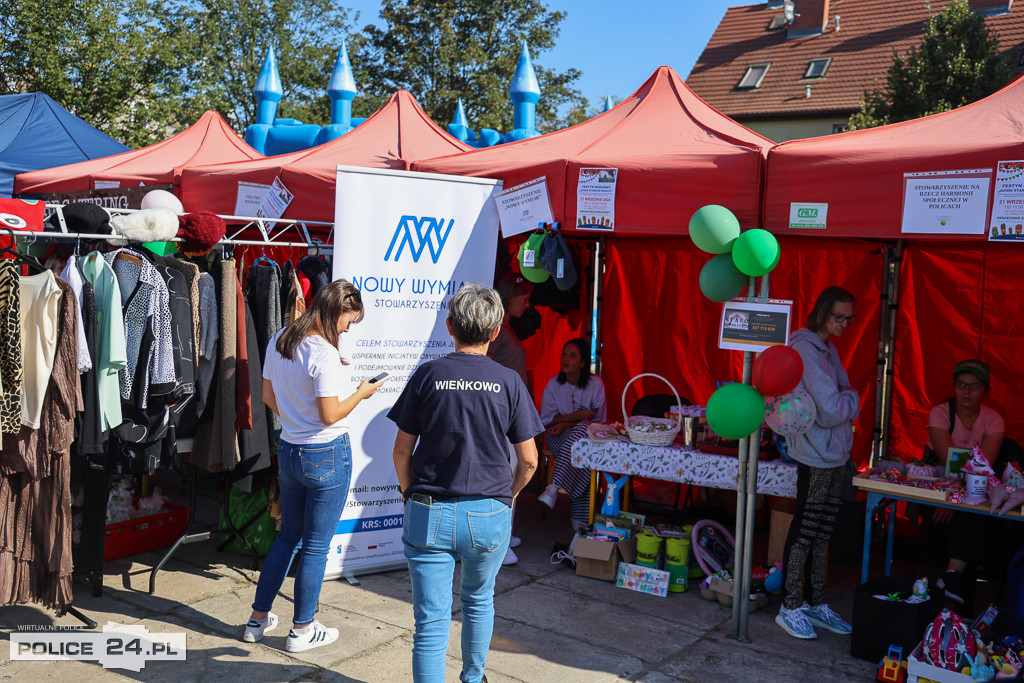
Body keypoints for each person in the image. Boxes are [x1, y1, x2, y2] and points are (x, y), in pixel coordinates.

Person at [388, 283, 543, 683]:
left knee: (431, 622)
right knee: (478, 602)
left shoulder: (428, 374)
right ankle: (473, 678)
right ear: (495, 332)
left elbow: (401, 451)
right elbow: (529, 460)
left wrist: (408, 493)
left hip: (429, 511)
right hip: (488, 513)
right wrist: (507, 497)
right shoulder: (508, 381)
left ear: (450, 326)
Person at [242, 280, 380, 652]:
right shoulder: (323, 354)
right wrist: (362, 393)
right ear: (336, 312)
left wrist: (295, 419)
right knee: (316, 547)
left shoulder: (280, 339)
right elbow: (330, 414)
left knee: (287, 537)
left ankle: (257, 620)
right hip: (325, 453)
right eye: (350, 321)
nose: (349, 329)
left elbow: (268, 396)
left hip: (289, 450)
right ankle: (302, 630)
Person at [777, 285, 860, 640]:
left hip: (834, 452)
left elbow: (845, 391)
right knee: (806, 527)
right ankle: (789, 605)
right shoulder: (806, 349)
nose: (843, 324)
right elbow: (831, 408)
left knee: (823, 530)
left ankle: (814, 600)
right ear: (823, 312)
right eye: (838, 316)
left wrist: (846, 397)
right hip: (815, 452)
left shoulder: (828, 347)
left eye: (849, 318)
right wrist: (848, 399)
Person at [927, 359, 1005, 604]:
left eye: (974, 386)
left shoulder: (993, 420)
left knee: (972, 509)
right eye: (961, 384)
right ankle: (953, 579)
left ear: (985, 390)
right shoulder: (939, 413)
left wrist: (955, 501)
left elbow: (984, 466)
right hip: (937, 494)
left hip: (971, 495)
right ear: (953, 386)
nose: (967, 391)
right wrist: (949, 500)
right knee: (970, 512)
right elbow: (945, 459)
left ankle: (951, 576)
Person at [487, 272, 535, 565]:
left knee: (514, 471)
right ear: (509, 298)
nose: (528, 305)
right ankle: (498, 542)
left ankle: (505, 531)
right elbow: (486, 364)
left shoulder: (508, 329)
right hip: (504, 413)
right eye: (525, 298)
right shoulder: (498, 330)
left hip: (513, 410)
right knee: (509, 475)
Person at [537, 338, 607, 530]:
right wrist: (575, 417)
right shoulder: (553, 385)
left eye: (572, 355)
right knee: (583, 450)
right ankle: (580, 521)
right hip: (556, 438)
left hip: (587, 439)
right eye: (564, 354)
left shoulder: (596, 384)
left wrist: (569, 421)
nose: (565, 359)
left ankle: (554, 486)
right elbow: (545, 421)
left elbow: (598, 423)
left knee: (583, 436)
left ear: (583, 362)